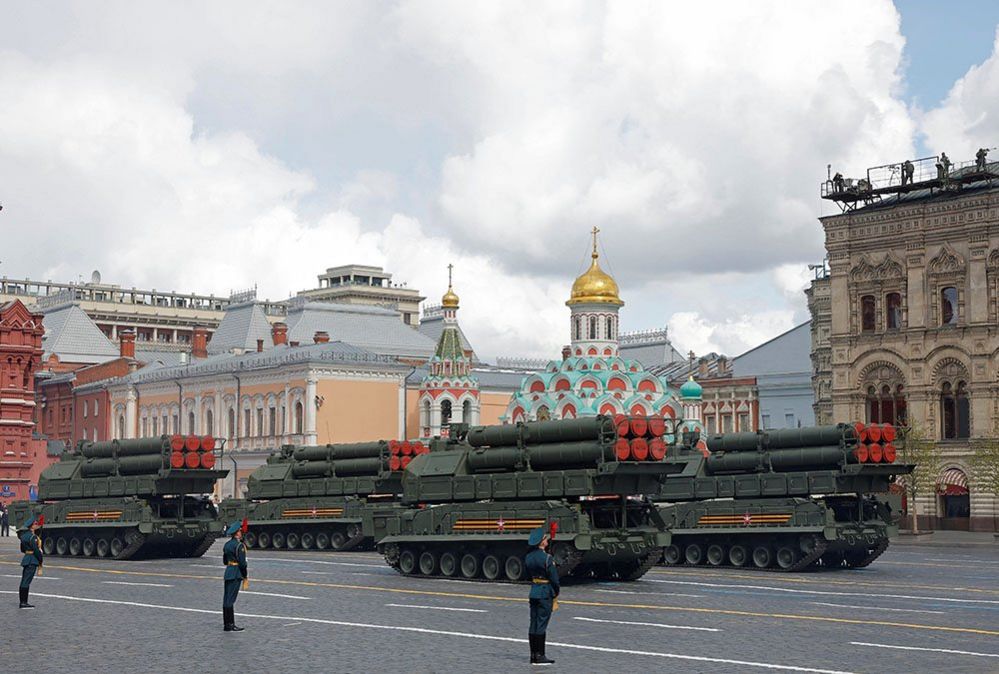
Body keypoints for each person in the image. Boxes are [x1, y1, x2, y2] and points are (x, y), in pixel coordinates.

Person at [525, 527, 559, 666]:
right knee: (541, 624)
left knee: (533, 623)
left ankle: (533, 655)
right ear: (541, 542)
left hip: (534, 591)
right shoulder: (547, 558)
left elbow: (528, 575)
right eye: (545, 539)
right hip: (545, 592)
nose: (547, 540)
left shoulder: (529, 557)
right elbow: (555, 580)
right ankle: (540, 655)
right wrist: (555, 592)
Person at [222, 517, 248, 632]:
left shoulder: (227, 545)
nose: (241, 533)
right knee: (231, 600)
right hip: (236, 573)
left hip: (228, 573)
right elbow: (242, 564)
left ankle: (226, 624)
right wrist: (245, 575)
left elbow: (224, 561)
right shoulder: (239, 546)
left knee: (226, 599)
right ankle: (231, 624)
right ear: (237, 533)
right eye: (240, 531)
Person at [19, 514, 43, 609]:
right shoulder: (33, 537)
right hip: (32, 560)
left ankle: (23, 601)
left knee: (24, 581)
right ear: (32, 526)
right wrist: (40, 558)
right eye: (35, 523)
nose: (36, 525)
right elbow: (36, 550)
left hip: (26, 559)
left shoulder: (24, 536)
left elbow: (22, 549)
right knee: (26, 582)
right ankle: (23, 602)